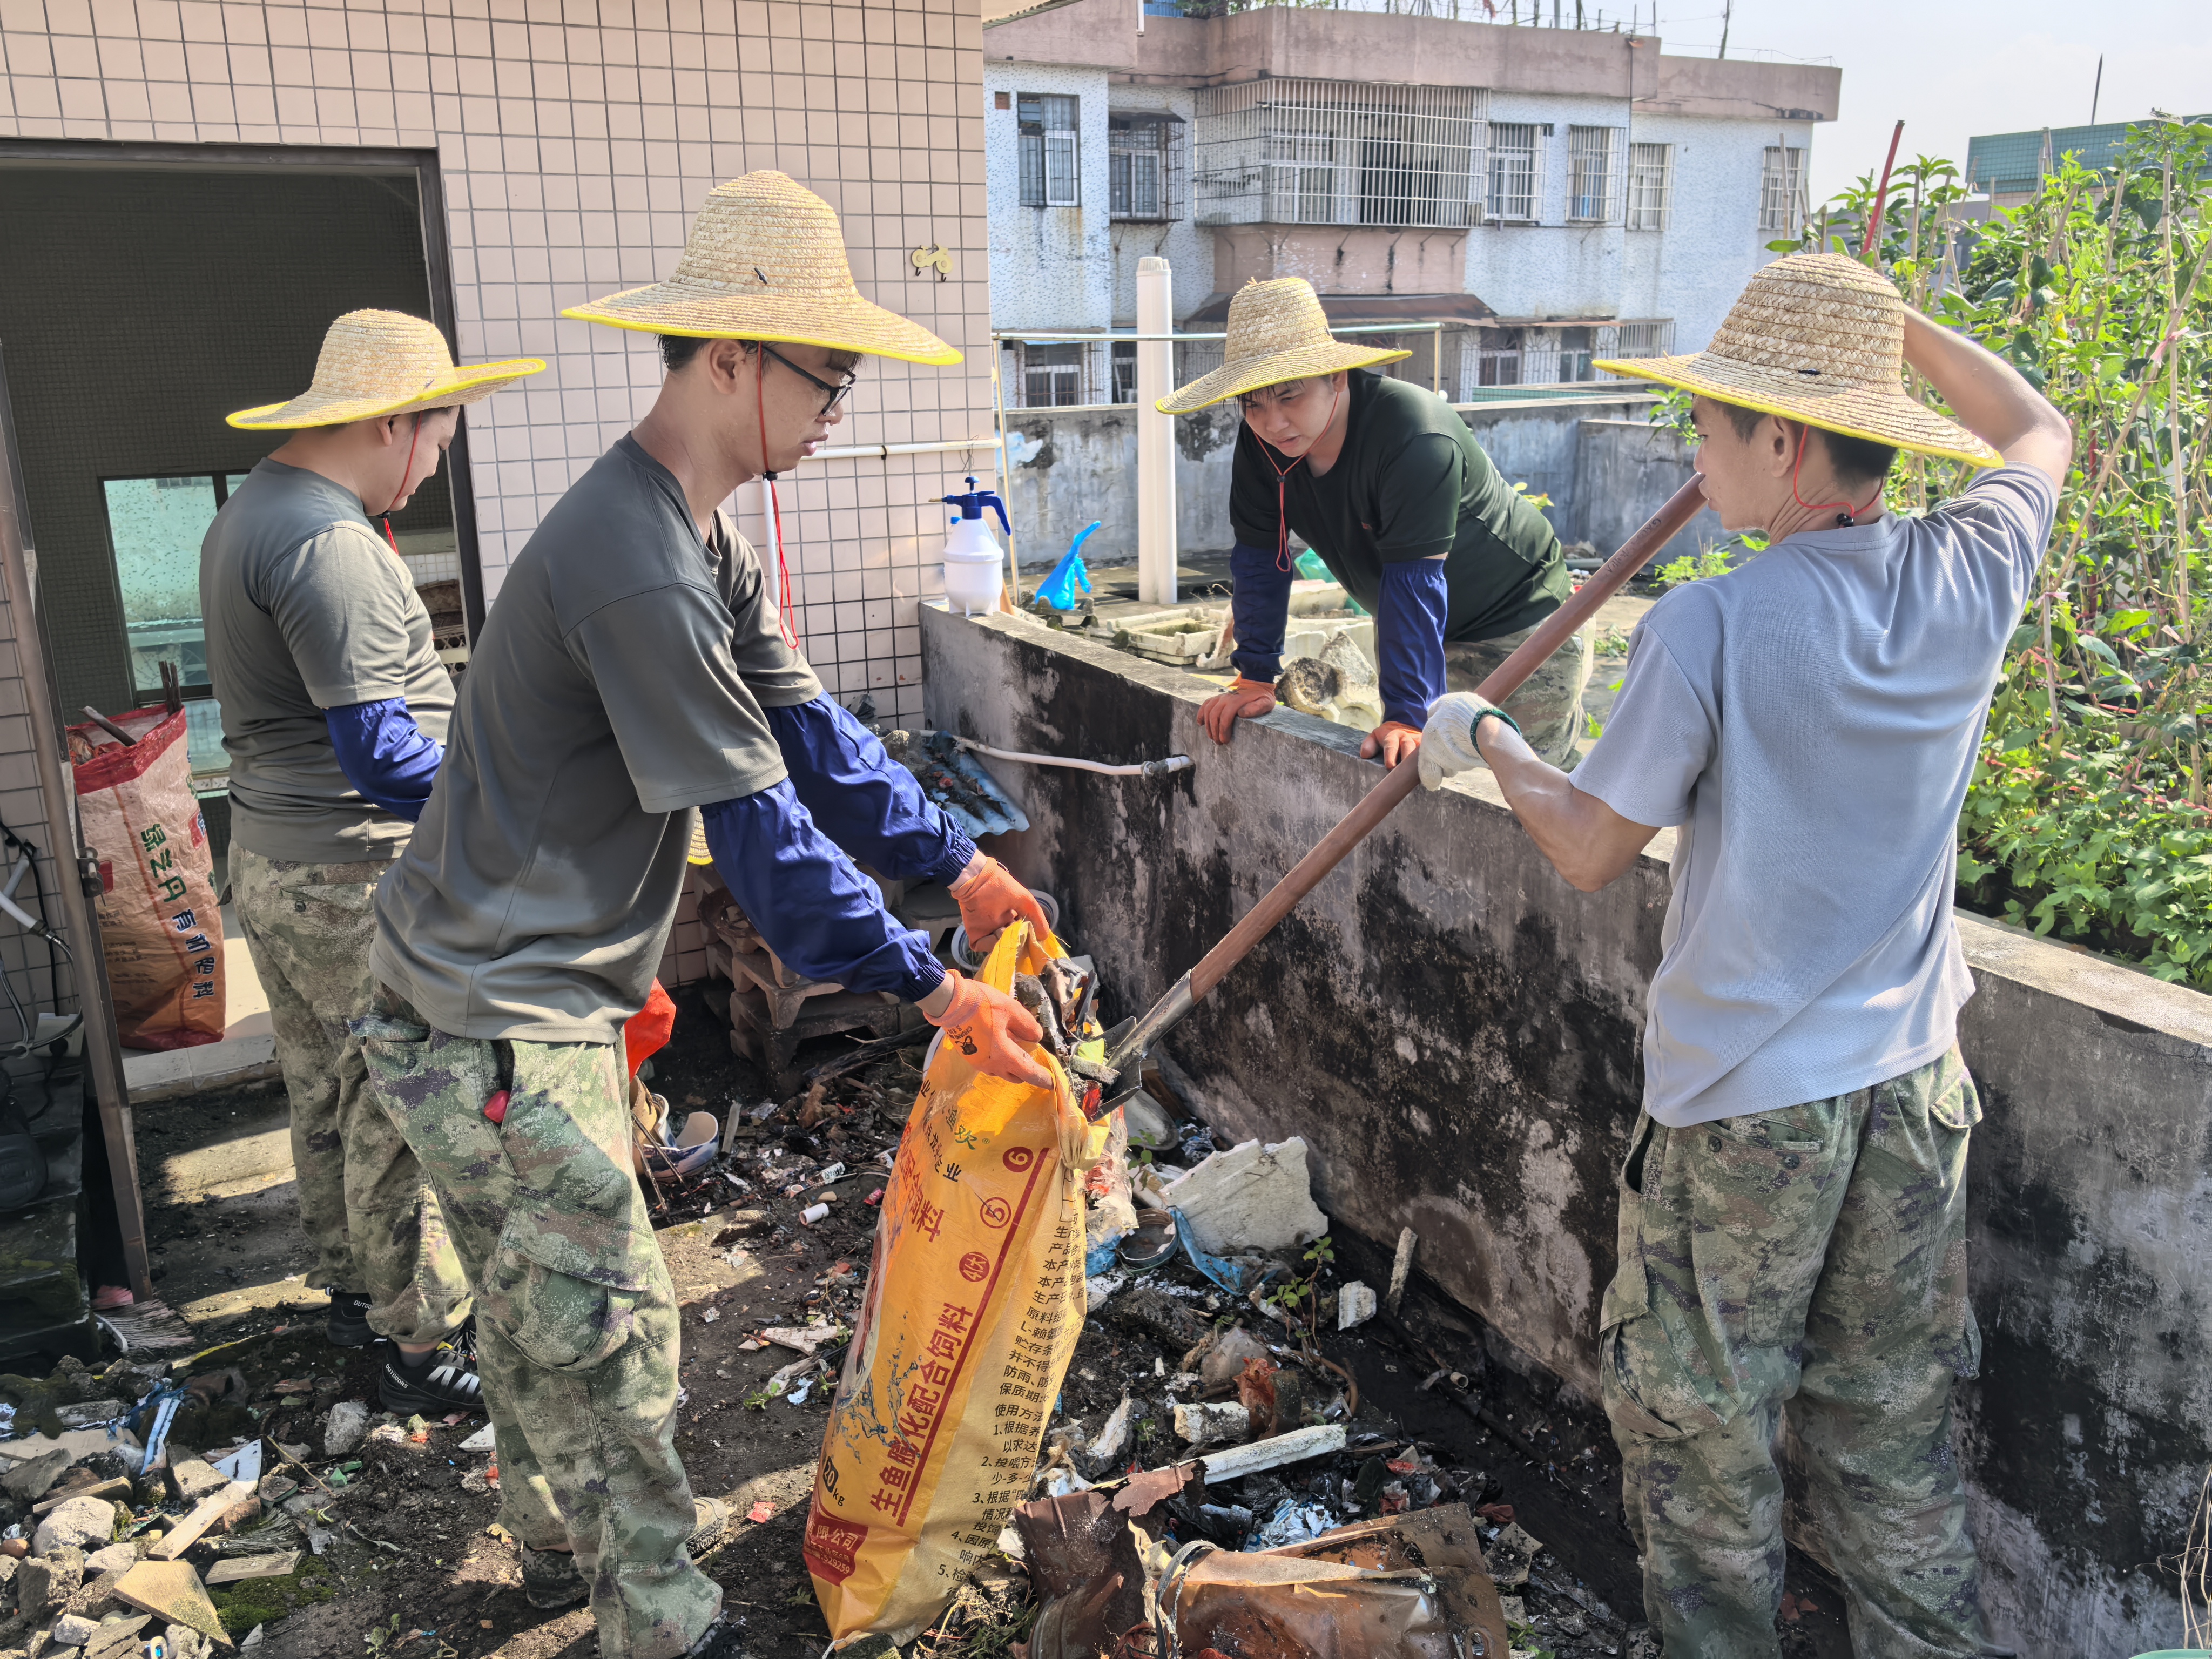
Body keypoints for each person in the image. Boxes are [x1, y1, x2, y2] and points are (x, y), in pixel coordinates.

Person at [354, 172, 1052, 1659]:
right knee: (614, 1331)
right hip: (488, 1010)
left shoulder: (702, 533)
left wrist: (962, 863)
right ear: (730, 359)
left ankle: (559, 1550)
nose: (841, 407)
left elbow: (813, 736)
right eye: (828, 376)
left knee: (540, 1305)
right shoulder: (639, 565)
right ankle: (664, 1626)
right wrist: (931, 988)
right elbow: (760, 833)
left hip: (494, 987)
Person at [1419, 252, 2070, 1657]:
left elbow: (1593, 845)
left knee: (1703, 1436)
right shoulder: (1971, 570)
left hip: (1748, 1109)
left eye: (1714, 429)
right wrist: (1898, 331)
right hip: (1912, 1086)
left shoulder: (1713, 621)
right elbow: (2039, 430)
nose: (1691, 456)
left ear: (1785, 443)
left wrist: (1488, 741)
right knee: (1887, 1435)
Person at [206, 310, 543, 1414]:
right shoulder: (329, 544)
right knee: (407, 1102)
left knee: (326, 1082)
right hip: (352, 876)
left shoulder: (253, 509)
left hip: (273, 859)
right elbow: (384, 755)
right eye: (440, 437)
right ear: (396, 421)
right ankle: (420, 1342)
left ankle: (353, 1288)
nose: (437, 462)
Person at [1158, 277, 1584, 770]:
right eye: (1253, 403)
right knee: (1426, 781)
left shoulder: (1412, 434)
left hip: (1519, 626)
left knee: (1525, 793)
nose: (1272, 423)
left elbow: (1414, 582)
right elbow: (1260, 558)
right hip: (1420, 629)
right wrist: (1254, 676)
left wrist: (1407, 713)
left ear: (1336, 377)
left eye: (1289, 397)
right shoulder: (1264, 444)